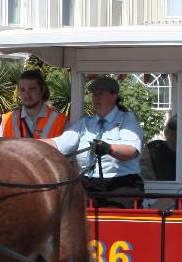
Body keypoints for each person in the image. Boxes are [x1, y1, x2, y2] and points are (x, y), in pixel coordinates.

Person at [50, 75, 144, 205]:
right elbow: (59, 144)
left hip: (121, 184)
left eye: (101, 94)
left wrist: (109, 148)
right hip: (87, 184)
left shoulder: (127, 120)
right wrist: (28, 144)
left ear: (114, 96)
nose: (96, 98)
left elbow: (131, 151)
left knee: (111, 214)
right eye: (94, 94)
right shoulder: (85, 123)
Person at [0, 68, 68, 139]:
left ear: (42, 90)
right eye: (22, 90)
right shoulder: (7, 120)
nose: (27, 95)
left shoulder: (60, 121)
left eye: (32, 89)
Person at [141, 115, 179, 182]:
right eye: (171, 127)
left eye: (175, 128)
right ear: (166, 131)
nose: (173, 132)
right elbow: (142, 167)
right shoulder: (153, 147)